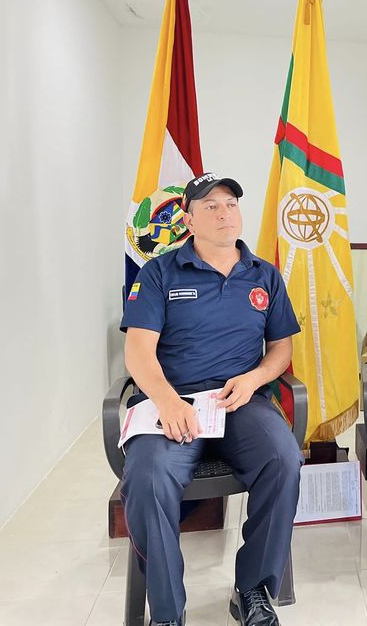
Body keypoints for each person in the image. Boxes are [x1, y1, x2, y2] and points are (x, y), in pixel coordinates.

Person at [120, 172, 303, 626]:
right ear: (189, 219)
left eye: (231, 204)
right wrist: (167, 400)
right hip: (174, 402)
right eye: (211, 206)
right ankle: (167, 612)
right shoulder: (159, 273)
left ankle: (253, 590)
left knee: (283, 459)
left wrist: (255, 378)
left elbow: (281, 349)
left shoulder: (264, 275)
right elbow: (138, 351)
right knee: (148, 476)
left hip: (238, 401)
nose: (225, 214)